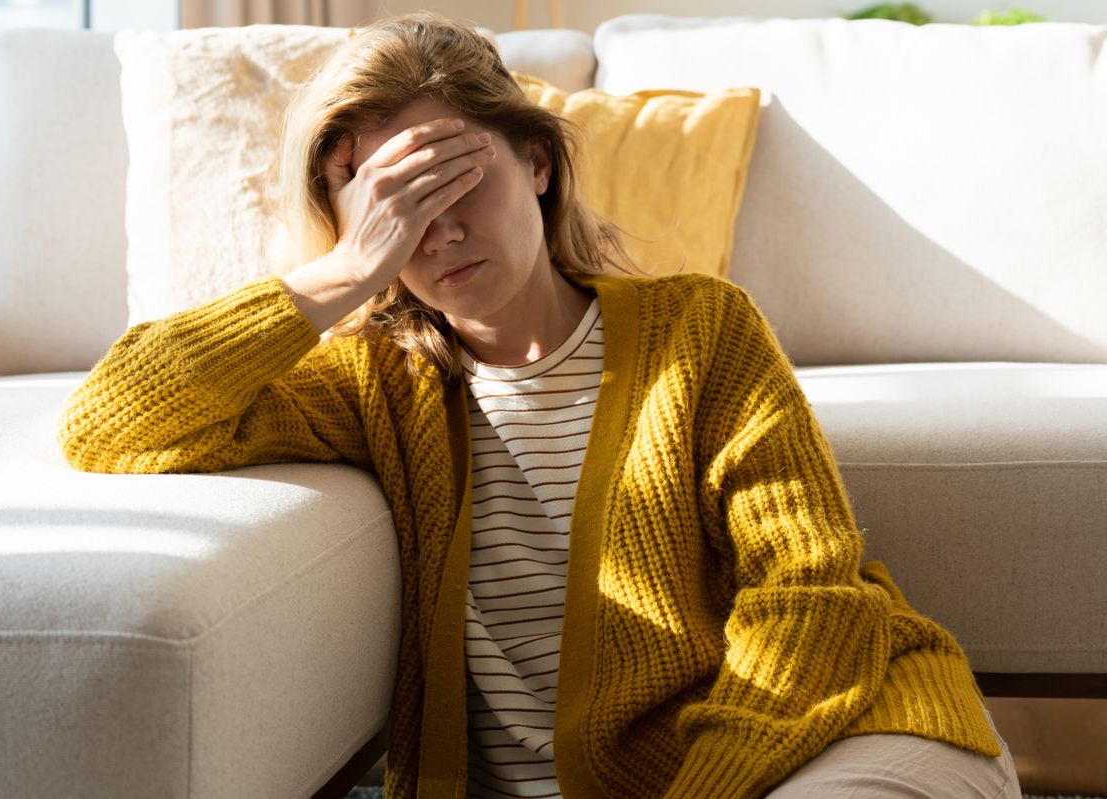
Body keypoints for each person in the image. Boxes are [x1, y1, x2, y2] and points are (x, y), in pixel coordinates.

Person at [58, 11, 1022, 799]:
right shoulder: (371, 383)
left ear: (539, 162)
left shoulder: (701, 329)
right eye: (395, 202)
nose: (436, 228)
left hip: (824, 733)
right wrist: (346, 269)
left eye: (454, 173)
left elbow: (808, 594)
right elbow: (111, 421)